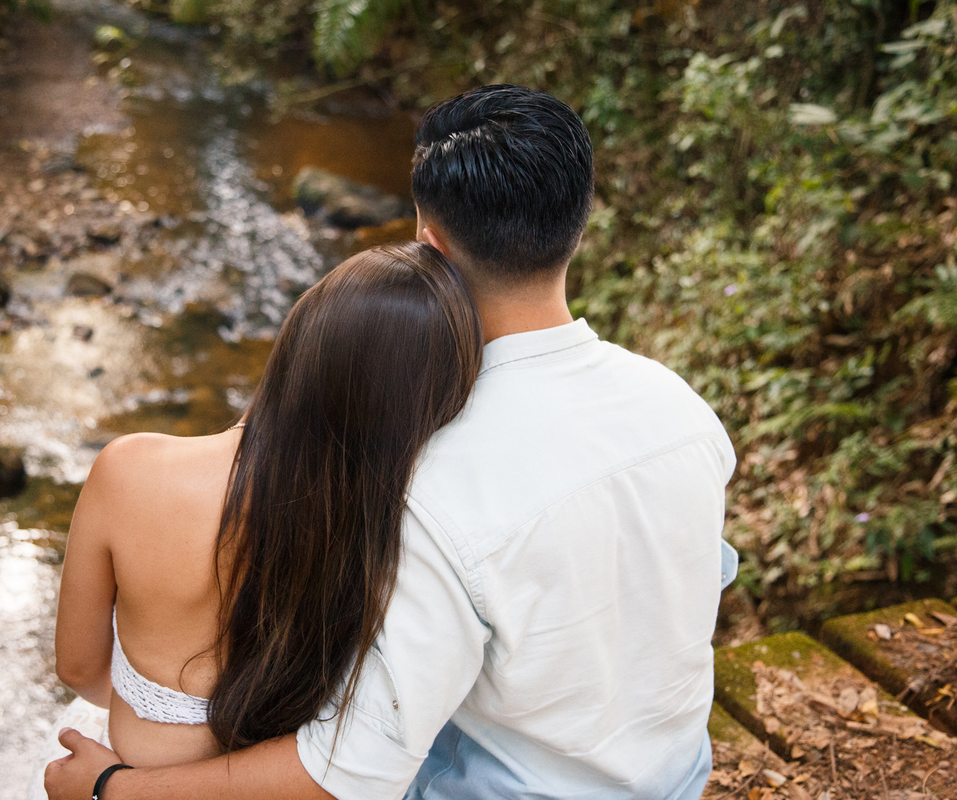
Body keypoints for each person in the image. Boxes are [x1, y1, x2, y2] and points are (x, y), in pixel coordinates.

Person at [46, 84, 737, 800]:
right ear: (579, 226)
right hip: (674, 780)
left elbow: (350, 771)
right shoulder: (681, 409)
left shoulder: (428, 478)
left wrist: (111, 790)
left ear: (429, 242)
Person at [51, 242, 482, 769]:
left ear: (298, 338)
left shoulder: (127, 471)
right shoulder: (393, 532)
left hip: (133, 774)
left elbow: (78, 668)